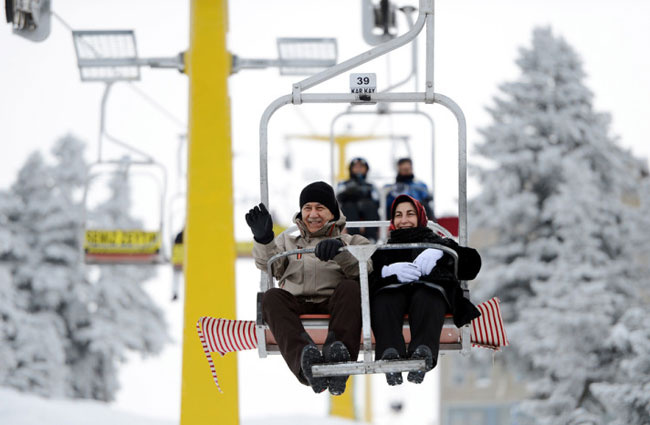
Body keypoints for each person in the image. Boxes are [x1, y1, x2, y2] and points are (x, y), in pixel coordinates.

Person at [246, 181, 372, 396]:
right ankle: (306, 360)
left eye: (320, 208)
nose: (313, 214)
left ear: (332, 213)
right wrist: (264, 239)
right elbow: (270, 266)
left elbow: (365, 268)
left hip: (333, 303)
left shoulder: (352, 240)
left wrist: (341, 253)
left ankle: (339, 357)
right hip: (297, 302)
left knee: (351, 288)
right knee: (271, 297)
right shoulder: (288, 241)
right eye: (307, 208)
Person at [369, 194, 481, 385]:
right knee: (385, 298)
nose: (404, 220)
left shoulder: (437, 243)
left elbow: (472, 265)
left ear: (420, 217)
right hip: (394, 297)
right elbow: (368, 278)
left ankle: (422, 353)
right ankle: (390, 355)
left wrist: (442, 251)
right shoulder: (384, 251)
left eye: (410, 214)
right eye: (399, 215)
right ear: (393, 220)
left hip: (428, 294)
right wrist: (388, 270)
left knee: (428, 295)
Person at [336, 157, 380, 241]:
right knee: (349, 206)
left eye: (361, 167)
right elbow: (338, 199)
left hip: (367, 213)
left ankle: (371, 238)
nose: (359, 169)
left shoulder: (371, 186)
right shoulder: (343, 184)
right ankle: (352, 238)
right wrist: (348, 193)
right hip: (349, 212)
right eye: (356, 167)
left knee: (369, 205)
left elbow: (377, 201)